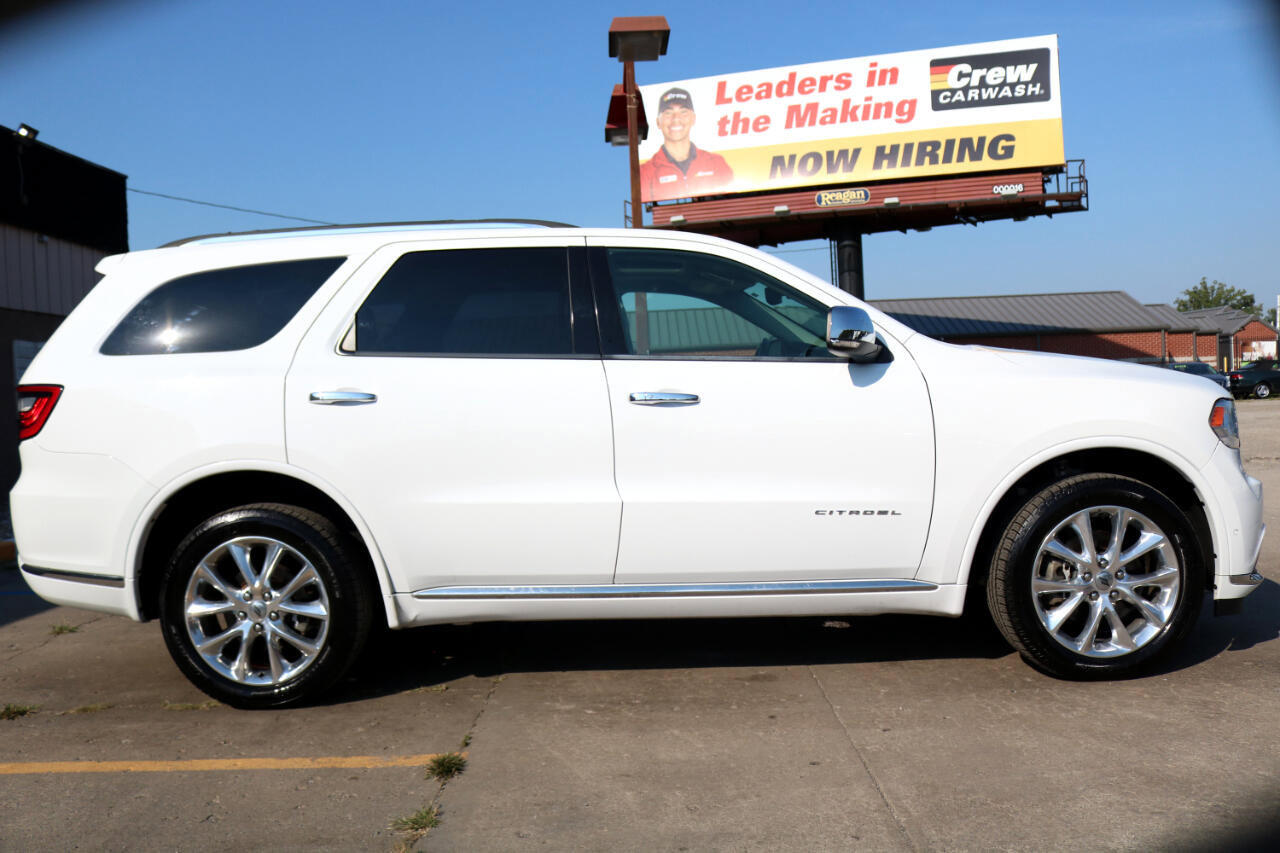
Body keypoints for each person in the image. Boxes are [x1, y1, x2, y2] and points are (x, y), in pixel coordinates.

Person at [639, 87, 734, 202]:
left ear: (693, 118)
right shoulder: (645, 172)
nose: (676, 119)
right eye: (668, 113)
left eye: (683, 112)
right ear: (658, 122)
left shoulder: (716, 163)